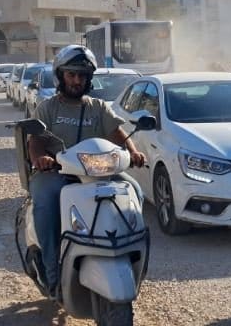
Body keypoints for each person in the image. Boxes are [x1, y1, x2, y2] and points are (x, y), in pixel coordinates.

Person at [26, 45, 146, 294]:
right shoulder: (47, 108)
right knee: (46, 202)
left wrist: (133, 152)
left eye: (82, 75)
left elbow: (118, 136)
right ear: (61, 76)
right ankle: (52, 272)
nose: (77, 80)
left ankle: (132, 256)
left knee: (133, 190)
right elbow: (35, 141)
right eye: (71, 74)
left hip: (98, 172)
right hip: (56, 172)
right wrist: (40, 159)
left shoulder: (98, 108)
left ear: (89, 78)